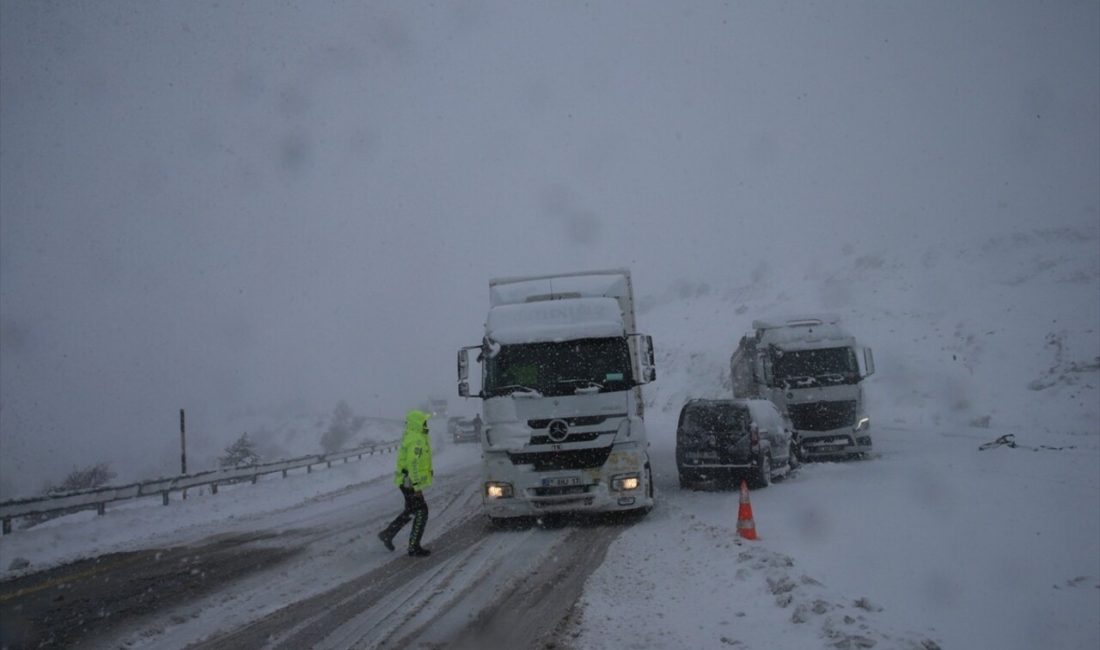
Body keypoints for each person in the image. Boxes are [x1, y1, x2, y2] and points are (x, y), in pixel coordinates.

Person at [378, 409, 434, 557]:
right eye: (424, 421)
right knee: (422, 512)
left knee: (411, 510)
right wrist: (416, 486)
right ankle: (413, 547)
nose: (426, 423)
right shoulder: (416, 439)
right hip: (409, 482)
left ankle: (387, 534)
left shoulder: (414, 436)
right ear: (417, 423)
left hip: (406, 481)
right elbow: (413, 463)